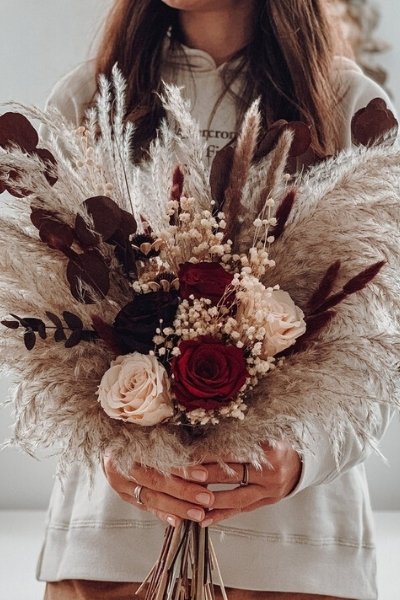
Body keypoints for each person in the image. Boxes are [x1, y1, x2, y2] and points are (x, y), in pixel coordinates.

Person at [39, 1, 395, 599]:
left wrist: (300, 458)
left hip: (295, 553)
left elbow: (382, 339)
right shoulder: (90, 97)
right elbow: (46, 330)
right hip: (112, 547)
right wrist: (111, 451)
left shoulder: (345, 103)